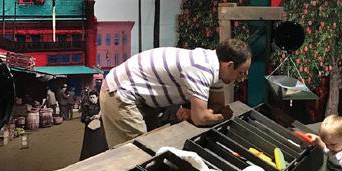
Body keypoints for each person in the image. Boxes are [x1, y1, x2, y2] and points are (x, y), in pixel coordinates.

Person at [100, 38, 252, 148]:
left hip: (140, 96)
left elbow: (216, 105)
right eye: (241, 72)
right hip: (121, 91)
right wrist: (223, 115)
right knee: (134, 153)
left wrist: (194, 112)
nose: (242, 78)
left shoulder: (216, 67)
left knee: (150, 146)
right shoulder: (202, 69)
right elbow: (201, 118)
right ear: (229, 65)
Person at [79, 90, 108, 160]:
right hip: (89, 129)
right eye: (90, 97)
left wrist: (99, 116)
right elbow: (83, 118)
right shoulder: (86, 106)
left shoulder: (101, 105)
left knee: (100, 142)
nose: (92, 99)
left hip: (99, 128)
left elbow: (106, 115)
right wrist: (90, 118)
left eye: (93, 97)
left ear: (97, 97)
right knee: (90, 145)